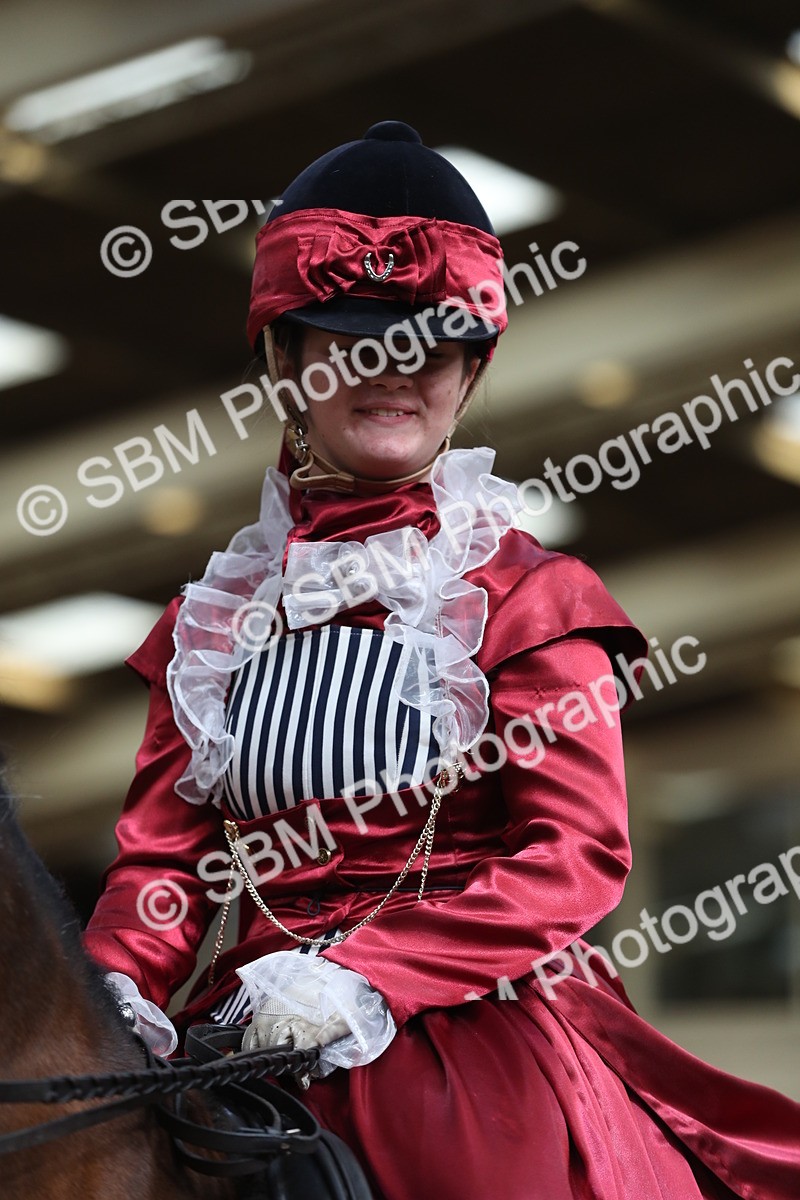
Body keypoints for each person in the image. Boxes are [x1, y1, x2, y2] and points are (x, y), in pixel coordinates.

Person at [84, 121, 800, 1200]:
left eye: (430, 349)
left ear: (468, 375)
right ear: (286, 362)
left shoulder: (530, 595)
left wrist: (364, 977)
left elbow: (572, 857)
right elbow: (161, 869)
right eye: (351, 344)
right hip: (244, 1039)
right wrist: (113, 985)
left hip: (461, 1029)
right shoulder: (211, 621)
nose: (393, 376)